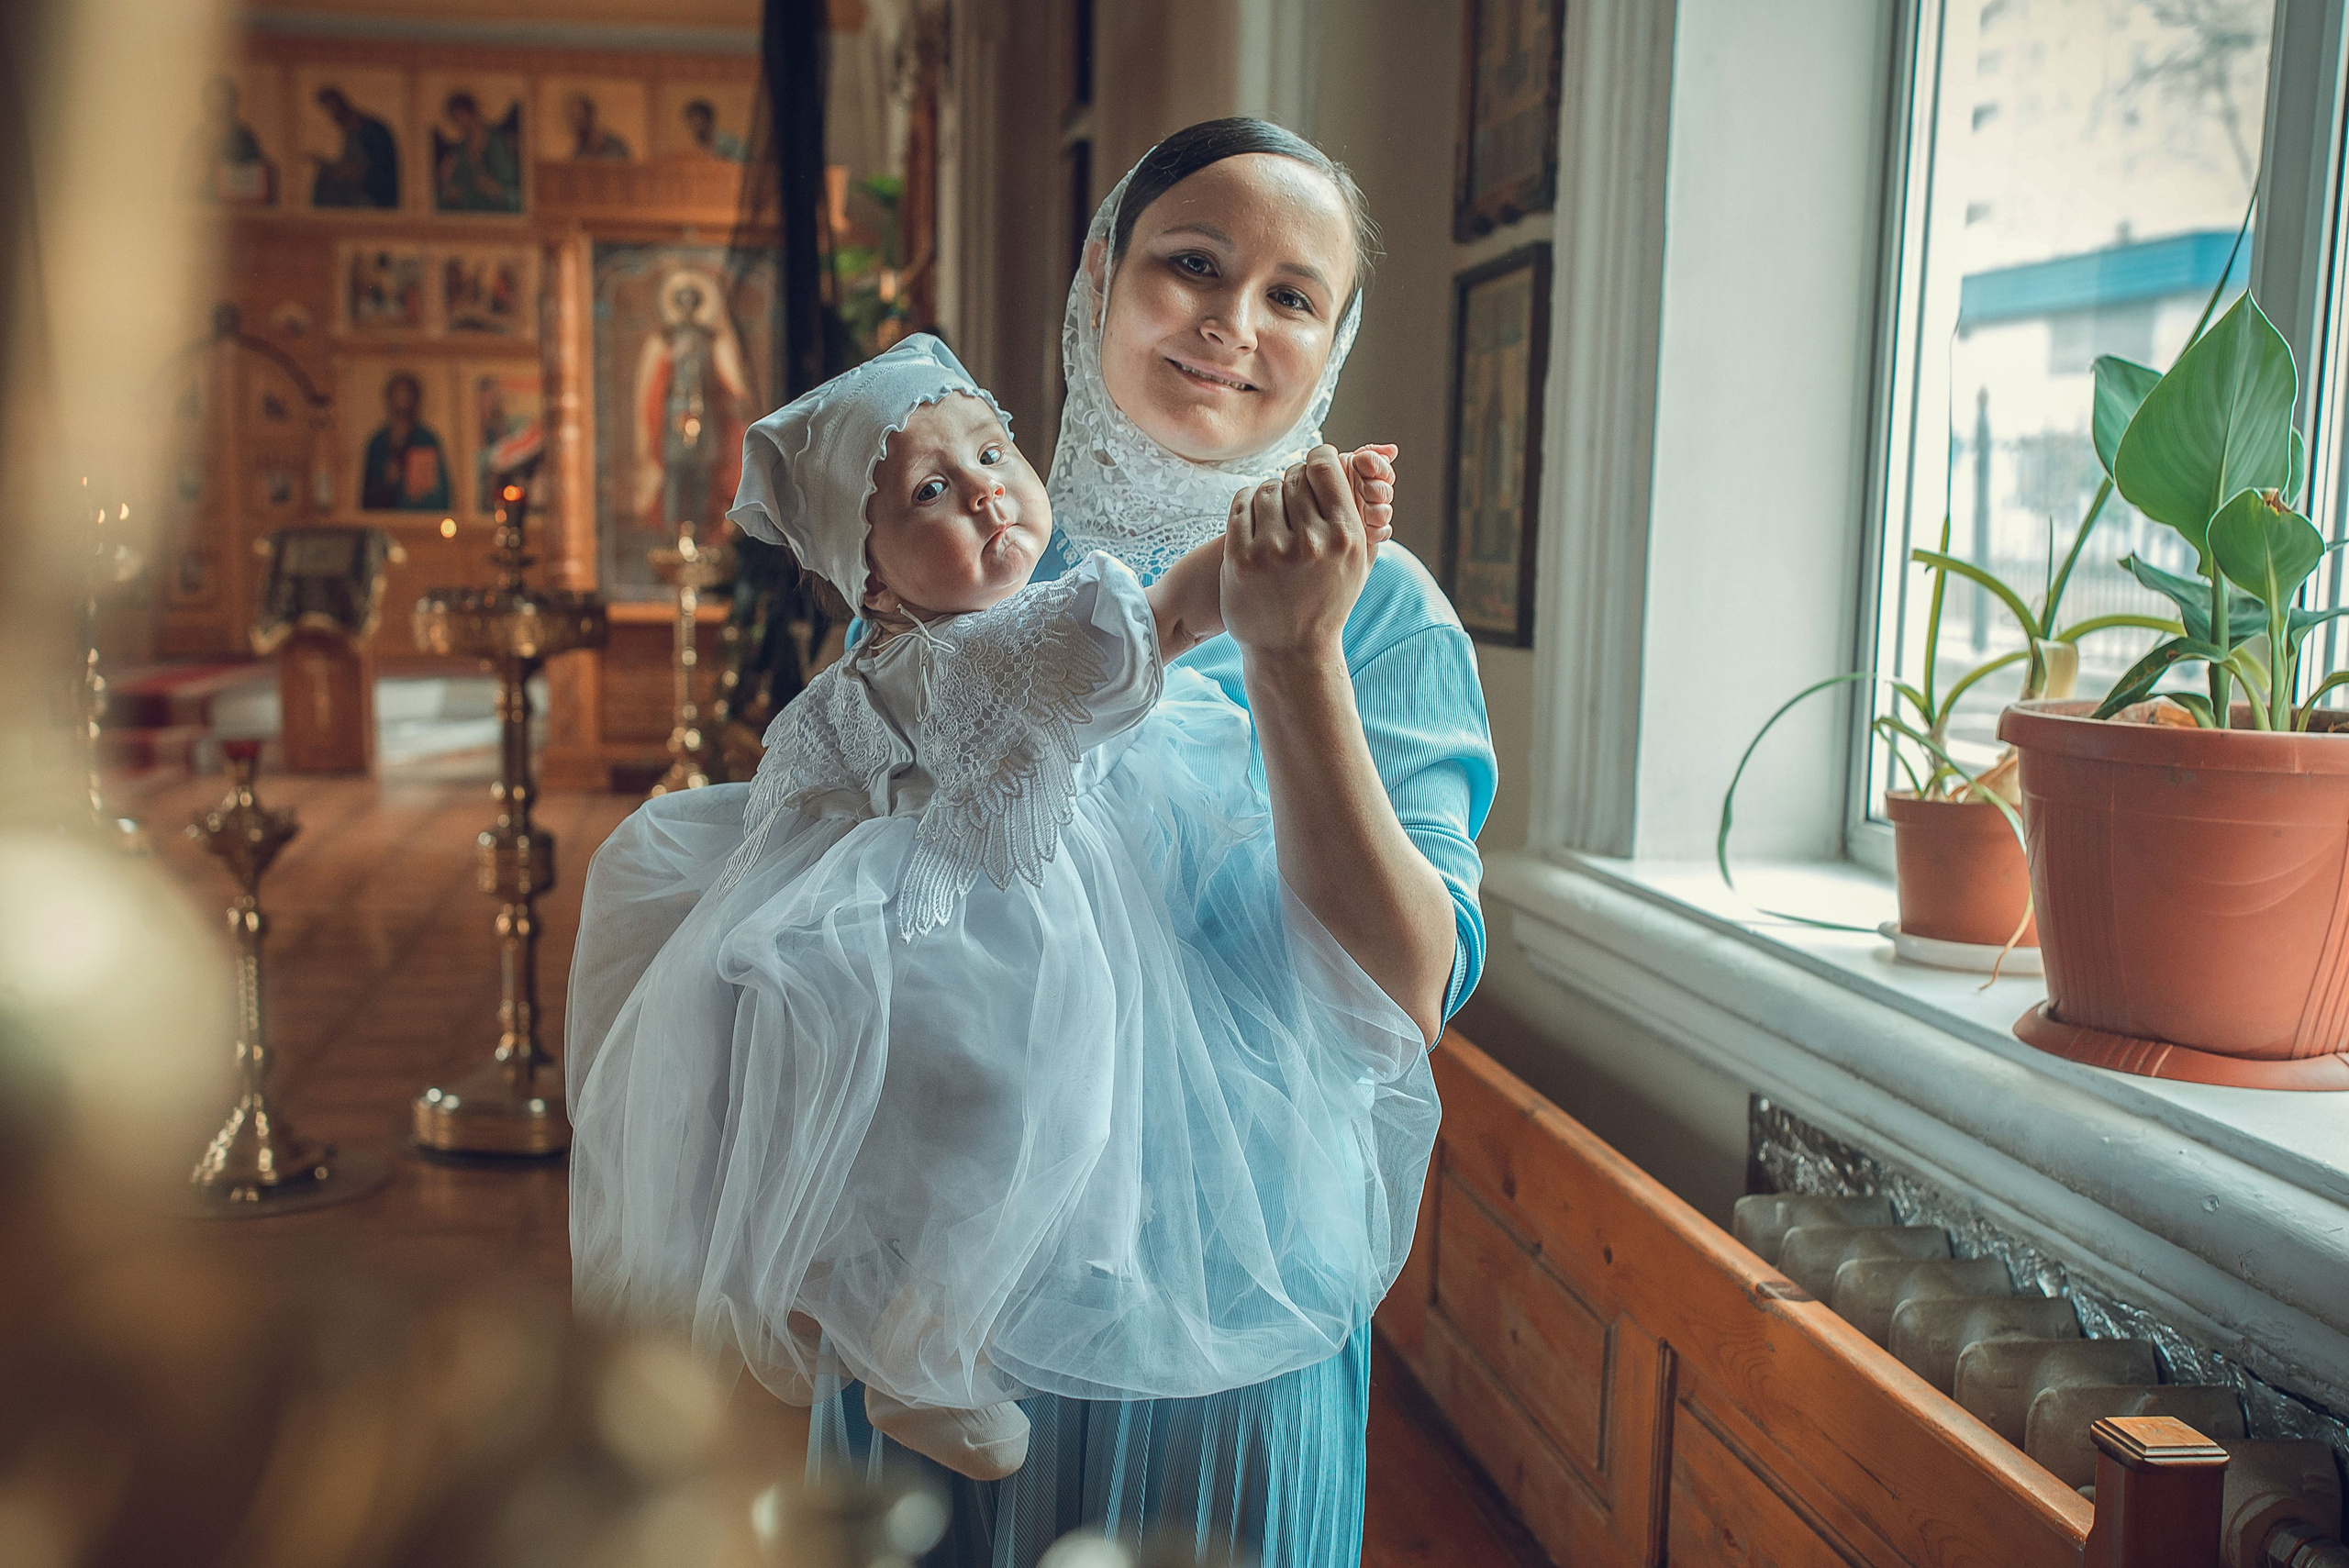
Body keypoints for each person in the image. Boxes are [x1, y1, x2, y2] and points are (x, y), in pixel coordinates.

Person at [810, 120, 1496, 1567]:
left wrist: (1295, 654)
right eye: (1193, 263)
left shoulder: (1390, 614)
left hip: (1228, 1301)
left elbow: (1409, 993)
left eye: (1293, 297)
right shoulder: (958, 552)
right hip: (947, 1298)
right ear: (1098, 276)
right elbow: (844, 890)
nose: (1233, 327)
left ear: (1335, 340)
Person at [565, 333, 1418, 1484]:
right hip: (991, 926)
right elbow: (1172, 612)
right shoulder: (999, 646)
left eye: (990, 451)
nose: (982, 490)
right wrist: (1291, 535)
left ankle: (889, 1310)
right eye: (930, 490)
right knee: (1039, 1088)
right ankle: (926, 1347)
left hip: (954, 911)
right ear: (869, 577)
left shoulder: (869, 670)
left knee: (965, 1121)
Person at [359, 373, 450, 511]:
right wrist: (386, 482)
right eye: (398, 395)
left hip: (421, 520)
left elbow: (441, 495)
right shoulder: (378, 443)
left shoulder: (426, 440)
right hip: (385, 519)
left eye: (406, 395)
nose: (402, 399)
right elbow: (367, 497)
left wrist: (419, 492)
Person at [184, 75, 276, 206]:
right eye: (213, 97)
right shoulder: (196, 136)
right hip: (202, 204)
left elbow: (256, 173)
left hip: (235, 207)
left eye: (222, 96)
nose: (218, 102)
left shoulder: (244, 136)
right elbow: (184, 175)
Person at [309, 86, 397, 209]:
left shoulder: (371, 131)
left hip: (374, 197)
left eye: (333, 109)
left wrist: (354, 173)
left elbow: (383, 176)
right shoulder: (350, 133)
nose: (331, 115)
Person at [433, 92, 521, 213]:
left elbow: (508, 175)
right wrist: (447, 179)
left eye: (461, 116)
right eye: (455, 119)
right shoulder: (462, 148)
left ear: (471, 113)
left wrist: (493, 186)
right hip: (471, 199)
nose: (460, 123)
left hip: (496, 198)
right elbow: (457, 179)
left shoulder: (496, 140)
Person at [567, 93, 631, 161]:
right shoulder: (579, 151)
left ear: (589, 116)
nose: (577, 123)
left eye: (580, 118)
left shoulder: (616, 146)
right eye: (574, 118)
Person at [683, 98, 747, 161]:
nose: (695, 126)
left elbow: (742, 158)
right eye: (691, 122)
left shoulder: (725, 140)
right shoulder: (699, 142)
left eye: (698, 121)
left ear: (708, 120)